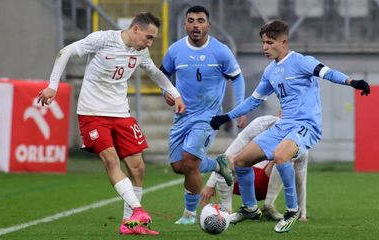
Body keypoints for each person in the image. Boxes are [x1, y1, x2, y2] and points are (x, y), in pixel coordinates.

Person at [210, 20, 370, 233]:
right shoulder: (270, 71)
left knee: (280, 156)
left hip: (307, 125)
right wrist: (226, 116)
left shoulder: (302, 62)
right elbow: (254, 100)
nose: (265, 47)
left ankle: (292, 210)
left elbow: (328, 73)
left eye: (270, 42)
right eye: (263, 43)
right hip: (283, 126)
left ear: (283, 42)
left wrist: (352, 82)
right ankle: (250, 208)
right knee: (240, 161)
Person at [37, 12, 186, 235]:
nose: (149, 43)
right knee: (111, 160)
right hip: (92, 113)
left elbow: (154, 72)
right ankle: (137, 209)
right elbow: (65, 51)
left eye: (152, 39)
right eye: (148, 37)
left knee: (138, 167)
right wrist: (53, 86)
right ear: (135, 29)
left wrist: (175, 94)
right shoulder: (103, 39)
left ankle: (130, 224)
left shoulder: (141, 51)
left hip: (120, 113)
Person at [159, 5, 247, 225]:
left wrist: (240, 109)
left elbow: (237, 77)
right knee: (178, 166)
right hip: (182, 115)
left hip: (208, 116)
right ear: (185, 24)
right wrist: (166, 92)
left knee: (189, 161)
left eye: (200, 20)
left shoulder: (220, 51)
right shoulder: (176, 50)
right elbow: (162, 74)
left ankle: (189, 215)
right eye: (191, 20)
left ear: (208, 25)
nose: (195, 25)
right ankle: (218, 164)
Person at [200, 115, 308, 221]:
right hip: (241, 182)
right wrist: (210, 184)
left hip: (264, 186)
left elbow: (300, 178)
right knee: (225, 160)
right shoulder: (261, 123)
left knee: (282, 156)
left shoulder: (300, 139)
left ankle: (268, 205)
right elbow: (228, 154)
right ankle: (226, 212)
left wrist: (302, 212)